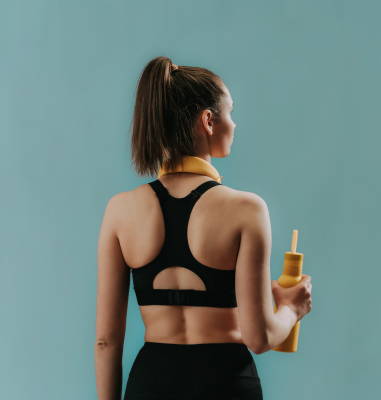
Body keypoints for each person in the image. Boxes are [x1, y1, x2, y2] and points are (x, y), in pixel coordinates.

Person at [95, 56, 313, 400]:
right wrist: (291, 308)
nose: (235, 125)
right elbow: (260, 338)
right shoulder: (247, 209)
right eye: (230, 113)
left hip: (151, 383)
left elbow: (106, 341)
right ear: (208, 121)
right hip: (226, 383)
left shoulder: (120, 210)